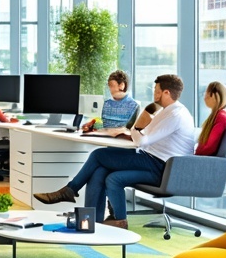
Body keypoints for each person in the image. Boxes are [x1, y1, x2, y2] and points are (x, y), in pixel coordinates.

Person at [33, 74, 196, 228]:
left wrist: (138, 125)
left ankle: (71, 191)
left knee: (98, 155)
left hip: (160, 166)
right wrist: (136, 130)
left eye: (156, 90)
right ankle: (91, 221)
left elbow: (141, 140)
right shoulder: (167, 112)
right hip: (153, 161)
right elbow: (141, 137)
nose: (154, 93)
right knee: (104, 173)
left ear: (166, 92)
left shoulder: (175, 115)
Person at [196, 81, 226, 156]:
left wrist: (193, 156)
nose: (204, 97)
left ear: (214, 95)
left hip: (202, 160)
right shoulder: (218, 115)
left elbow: (209, 147)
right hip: (201, 158)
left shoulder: (221, 118)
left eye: (206, 93)